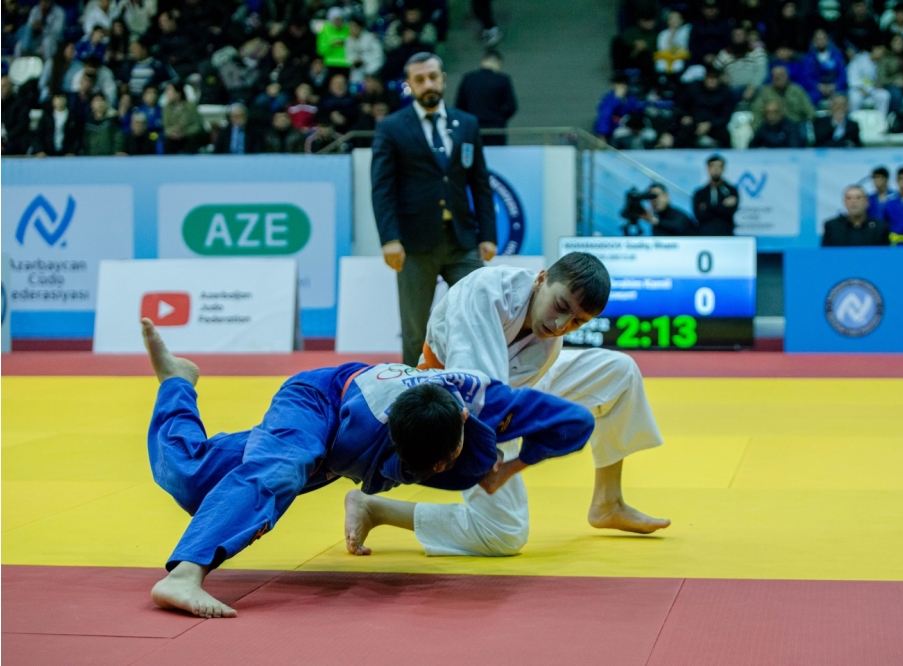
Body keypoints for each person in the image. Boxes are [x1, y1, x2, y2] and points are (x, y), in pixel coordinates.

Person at [140, 319, 594, 618]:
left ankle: (177, 381)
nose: (434, 471)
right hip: (319, 403)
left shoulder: (490, 404)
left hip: (377, 439)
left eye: (440, 463)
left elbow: (577, 422)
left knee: (196, 479)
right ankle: (184, 575)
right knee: (276, 470)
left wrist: (512, 467)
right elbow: (307, 462)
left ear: (462, 419)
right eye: (422, 467)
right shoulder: (365, 428)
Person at [343, 252, 670, 558]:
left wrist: (515, 465)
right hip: (458, 406)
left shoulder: (548, 336)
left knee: (619, 372)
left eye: (577, 322)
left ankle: (608, 502)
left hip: (507, 391)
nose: (561, 326)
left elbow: (516, 392)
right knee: (505, 533)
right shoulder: (487, 294)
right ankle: (376, 508)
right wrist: (498, 460)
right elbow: (482, 400)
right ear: (541, 278)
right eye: (560, 306)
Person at [371, 52, 496, 367]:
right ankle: (412, 392)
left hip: (462, 240)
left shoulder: (467, 124)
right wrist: (389, 238)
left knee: (480, 315)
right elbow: (382, 188)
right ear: (409, 84)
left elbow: (480, 183)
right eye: (420, 79)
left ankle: (481, 383)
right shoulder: (391, 127)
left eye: (433, 77)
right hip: (414, 244)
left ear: (443, 78)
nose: (428, 84)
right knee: (415, 330)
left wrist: (488, 234)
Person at [455, 49, 517, 146]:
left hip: (472, 127)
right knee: (495, 154)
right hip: (495, 129)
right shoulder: (503, 80)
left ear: (483, 61)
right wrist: (500, 118)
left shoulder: (468, 78)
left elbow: (459, 105)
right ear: (498, 62)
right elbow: (512, 106)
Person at [822, 185, 890, 246]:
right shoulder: (832, 227)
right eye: (849, 198)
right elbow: (825, 254)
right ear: (844, 203)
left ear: (867, 202)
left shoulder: (879, 228)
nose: (853, 201)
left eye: (858, 198)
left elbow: (885, 254)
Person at [751, 65, 815, 129]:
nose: (779, 78)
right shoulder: (765, 93)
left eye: (781, 75)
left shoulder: (797, 91)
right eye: (776, 77)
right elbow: (757, 112)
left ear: (787, 76)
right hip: (774, 128)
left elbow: (809, 111)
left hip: (796, 126)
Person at [692, 154, 739, 236]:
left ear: (723, 169)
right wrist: (722, 205)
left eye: (719, 166)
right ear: (708, 169)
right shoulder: (700, 193)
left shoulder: (731, 191)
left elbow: (730, 212)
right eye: (713, 166)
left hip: (726, 233)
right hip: (704, 234)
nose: (716, 169)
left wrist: (707, 207)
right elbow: (699, 215)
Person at [801, 28, 848, 106]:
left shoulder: (837, 55)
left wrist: (835, 86)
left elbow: (842, 74)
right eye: (818, 39)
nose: (821, 41)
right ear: (814, 41)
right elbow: (807, 77)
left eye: (823, 38)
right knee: (810, 98)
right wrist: (819, 86)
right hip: (817, 89)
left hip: (835, 87)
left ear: (827, 39)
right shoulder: (808, 58)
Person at [847, 41, 891, 116]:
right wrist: (860, 87)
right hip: (857, 89)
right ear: (874, 48)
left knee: (884, 95)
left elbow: (879, 81)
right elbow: (852, 74)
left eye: (883, 52)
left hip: (872, 90)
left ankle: (881, 120)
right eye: (880, 50)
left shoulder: (880, 64)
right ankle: (853, 120)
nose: (881, 53)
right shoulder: (860, 58)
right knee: (855, 99)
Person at [31, 91, 82, 156]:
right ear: (53, 101)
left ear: (66, 100)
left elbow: (77, 137)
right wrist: (40, 150)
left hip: (67, 155)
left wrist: (73, 151)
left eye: (62, 98)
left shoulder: (73, 118)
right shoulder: (47, 117)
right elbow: (38, 135)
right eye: (57, 98)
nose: (59, 100)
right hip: (48, 154)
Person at [345, 14, 384, 85]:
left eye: (354, 26)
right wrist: (354, 61)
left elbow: (378, 55)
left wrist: (364, 60)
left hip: (373, 68)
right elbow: (349, 56)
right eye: (350, 26)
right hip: (358, 69)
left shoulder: (370, 37)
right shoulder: (349, 40)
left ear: (360, 27)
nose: (352, 29)